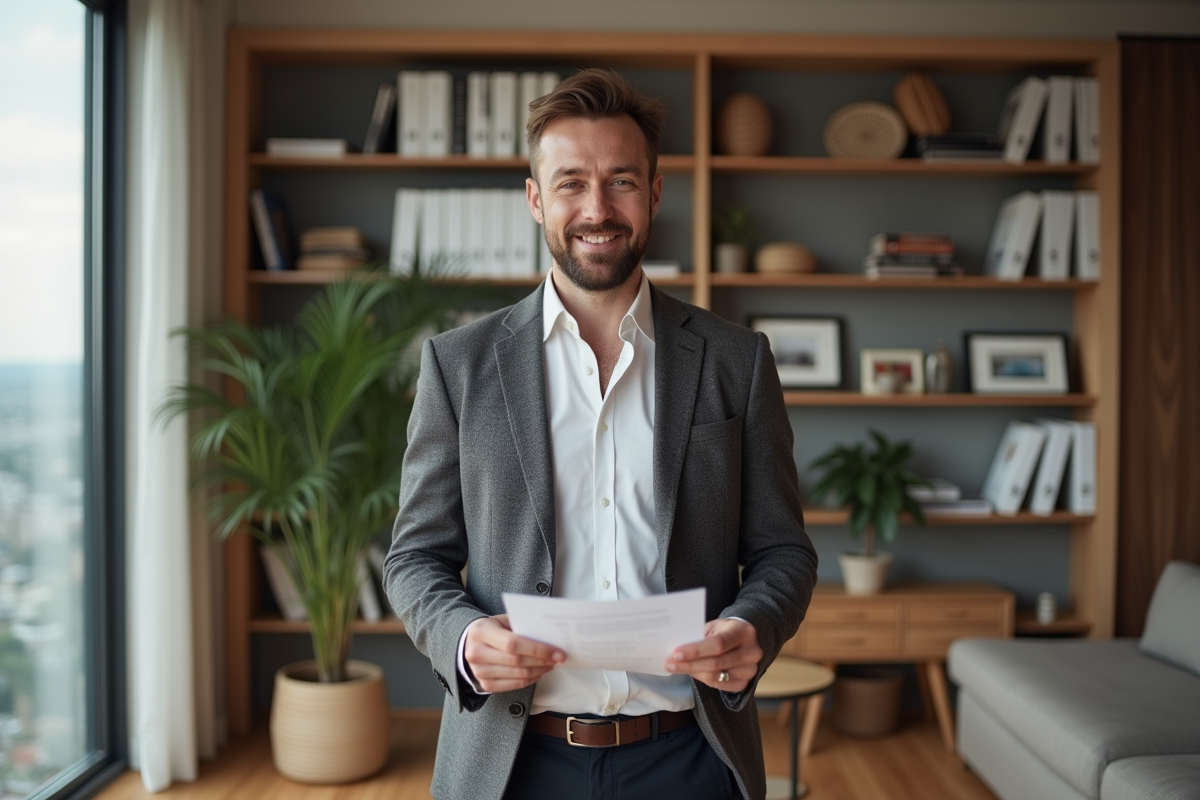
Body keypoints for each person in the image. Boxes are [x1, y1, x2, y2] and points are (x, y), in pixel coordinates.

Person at [384, 67, 817, 800]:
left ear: (653, 193)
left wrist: (755, 626)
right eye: (571, 183)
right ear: (535, 199)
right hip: (513, 762)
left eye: (620, 181)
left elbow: (783, 552)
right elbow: (416, 557)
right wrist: (462, 638)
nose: (596, 208)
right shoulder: (457, 366)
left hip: (692, 755)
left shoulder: (736, 362)